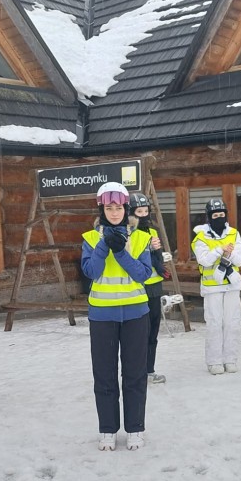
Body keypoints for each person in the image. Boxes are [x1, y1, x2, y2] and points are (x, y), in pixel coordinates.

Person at [80, 182, 152, 451]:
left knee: (135, 374)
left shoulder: (141, 238)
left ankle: (135, 428)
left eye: (118, 207)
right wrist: (103, 246)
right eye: (108, 208)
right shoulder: (89, 238)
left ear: (125, 208)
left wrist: (120, 250)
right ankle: (107, 430)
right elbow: (91, 271)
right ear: (102, 209)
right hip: (102, 316)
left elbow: (143, 274)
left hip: (135, 314)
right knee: (105, 375)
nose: (114, 212)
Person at [192, 198, 241, 375]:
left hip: (232, 284)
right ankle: (214, 361)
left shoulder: (234, 233)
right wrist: (220, 249)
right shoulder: (200, 237)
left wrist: (229, 254)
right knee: (214, 324)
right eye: (215, 215)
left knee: (233, 323)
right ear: (209, 217)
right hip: (212, 286)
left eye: (222, 215)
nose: (219, 218)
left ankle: (230, 359)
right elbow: (204, 260)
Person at [128, 192, 171, 384]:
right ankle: (136, 371)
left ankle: (149, 370)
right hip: (138, 289)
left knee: (153, 331)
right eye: (139, 212)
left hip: (154, 288)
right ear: (131, 214)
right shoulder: (129, 234)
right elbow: (130, 261)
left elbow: (158, 260)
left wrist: (157, 251)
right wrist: (148, 249)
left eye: (146, 211)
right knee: (138, 334)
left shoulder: (152, 232)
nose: (143, 216)